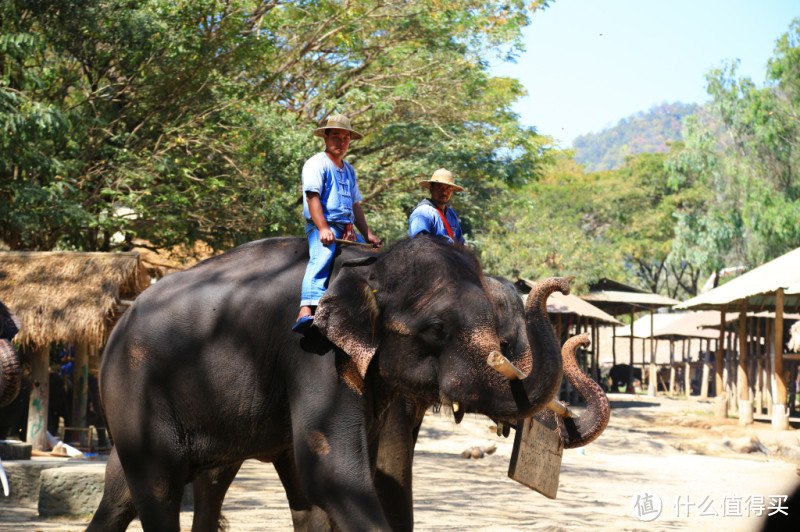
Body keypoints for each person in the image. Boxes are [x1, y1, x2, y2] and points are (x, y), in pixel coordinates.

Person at [293, 114, 382, 333]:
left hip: (348, 229)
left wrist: (368, 234)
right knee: (322, 256)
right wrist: (323, 228)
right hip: (326, 225)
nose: (341, 142)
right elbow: (312, 197)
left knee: (373, 257)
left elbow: (355, 204)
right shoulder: (316, 163)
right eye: (336, 136)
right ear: (325, 137)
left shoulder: (349, 170)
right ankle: (306, 308)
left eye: (345, 137)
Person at [408, 168, 465, 245]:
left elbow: (460, 244)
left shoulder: (451, 214)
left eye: (448, 188)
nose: (444, 191)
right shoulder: (423, 213)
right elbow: (419, 246)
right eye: (439, 187)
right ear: (431, 189)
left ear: (452, 191)